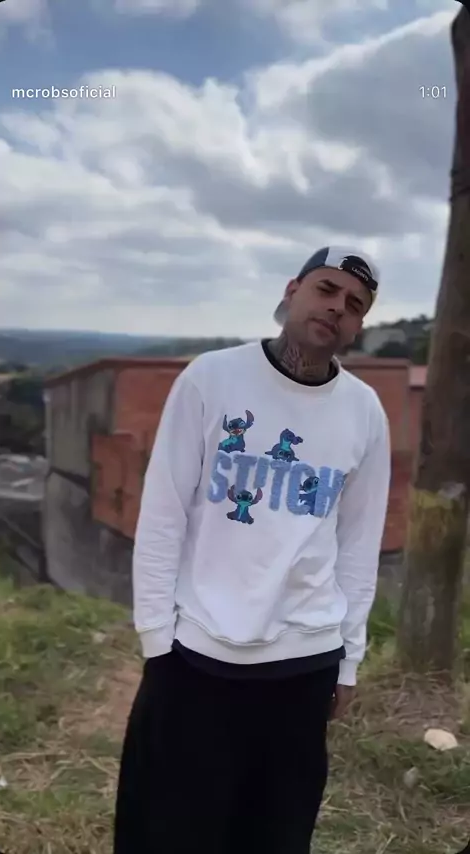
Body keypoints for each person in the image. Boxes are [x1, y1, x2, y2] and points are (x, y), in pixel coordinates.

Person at [113, 246, 391, 854]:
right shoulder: (211, 378)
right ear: (292, 290)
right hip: (196, 655)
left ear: (358, 326)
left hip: (304, 661)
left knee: (274, 835)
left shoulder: (365, 412)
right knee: (167, 829)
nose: (336, 307)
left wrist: (348, 661)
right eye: (326, 289)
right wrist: (157, 639)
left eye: (354, 304)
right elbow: (163, 515)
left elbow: (358, 547)